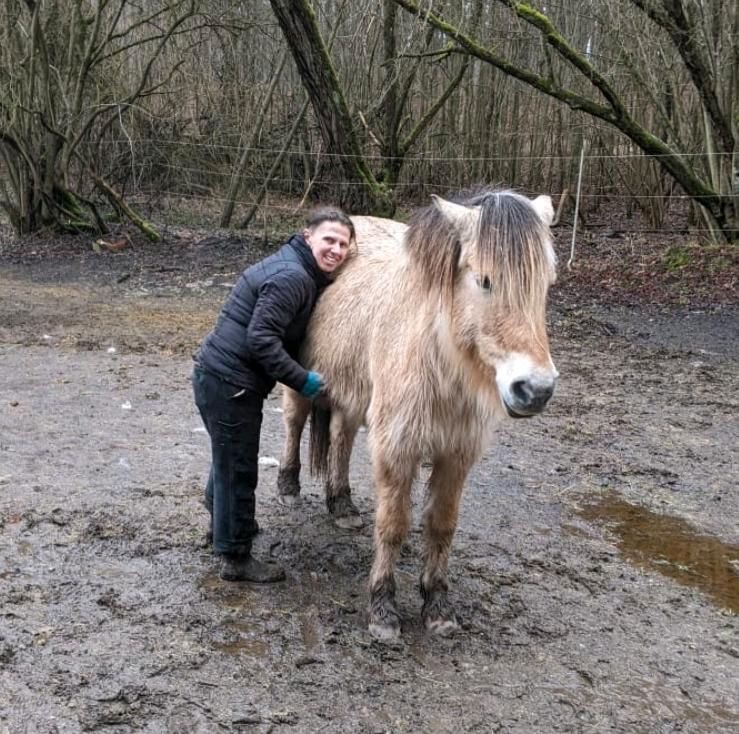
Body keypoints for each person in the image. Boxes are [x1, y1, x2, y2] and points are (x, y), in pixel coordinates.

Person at [192, 208, 354, 583]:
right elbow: (261, 339)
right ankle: (236, 557)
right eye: (329, 239)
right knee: (240, 468)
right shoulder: (292, 277)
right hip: (230, 382)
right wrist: (304, 382)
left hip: (217, 376)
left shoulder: (295, 268)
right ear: (308, 235)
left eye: (343, 244)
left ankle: (220, 521)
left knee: (228, 456)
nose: (336, 249)